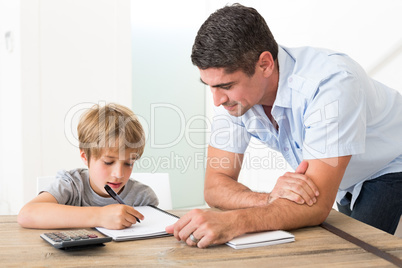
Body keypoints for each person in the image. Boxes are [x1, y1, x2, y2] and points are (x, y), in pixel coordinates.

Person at [166, 4, 402, 248]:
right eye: (210, 86)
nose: (217, 100)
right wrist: (268, 198)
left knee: (355, 255)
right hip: (345, 181)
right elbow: (215, 186)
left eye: (225, 86)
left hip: (390, 165)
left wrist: (234, 221)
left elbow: (316, 207)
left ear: (265, 64)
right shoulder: (237, 100)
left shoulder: (331, 84)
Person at [18, 103, 158, 229]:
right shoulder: (72, 185)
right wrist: (100, 216)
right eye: (108, 162)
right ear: (85, 157)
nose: (119, 174)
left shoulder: (143, 197)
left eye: (129, 163)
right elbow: (27, 214)